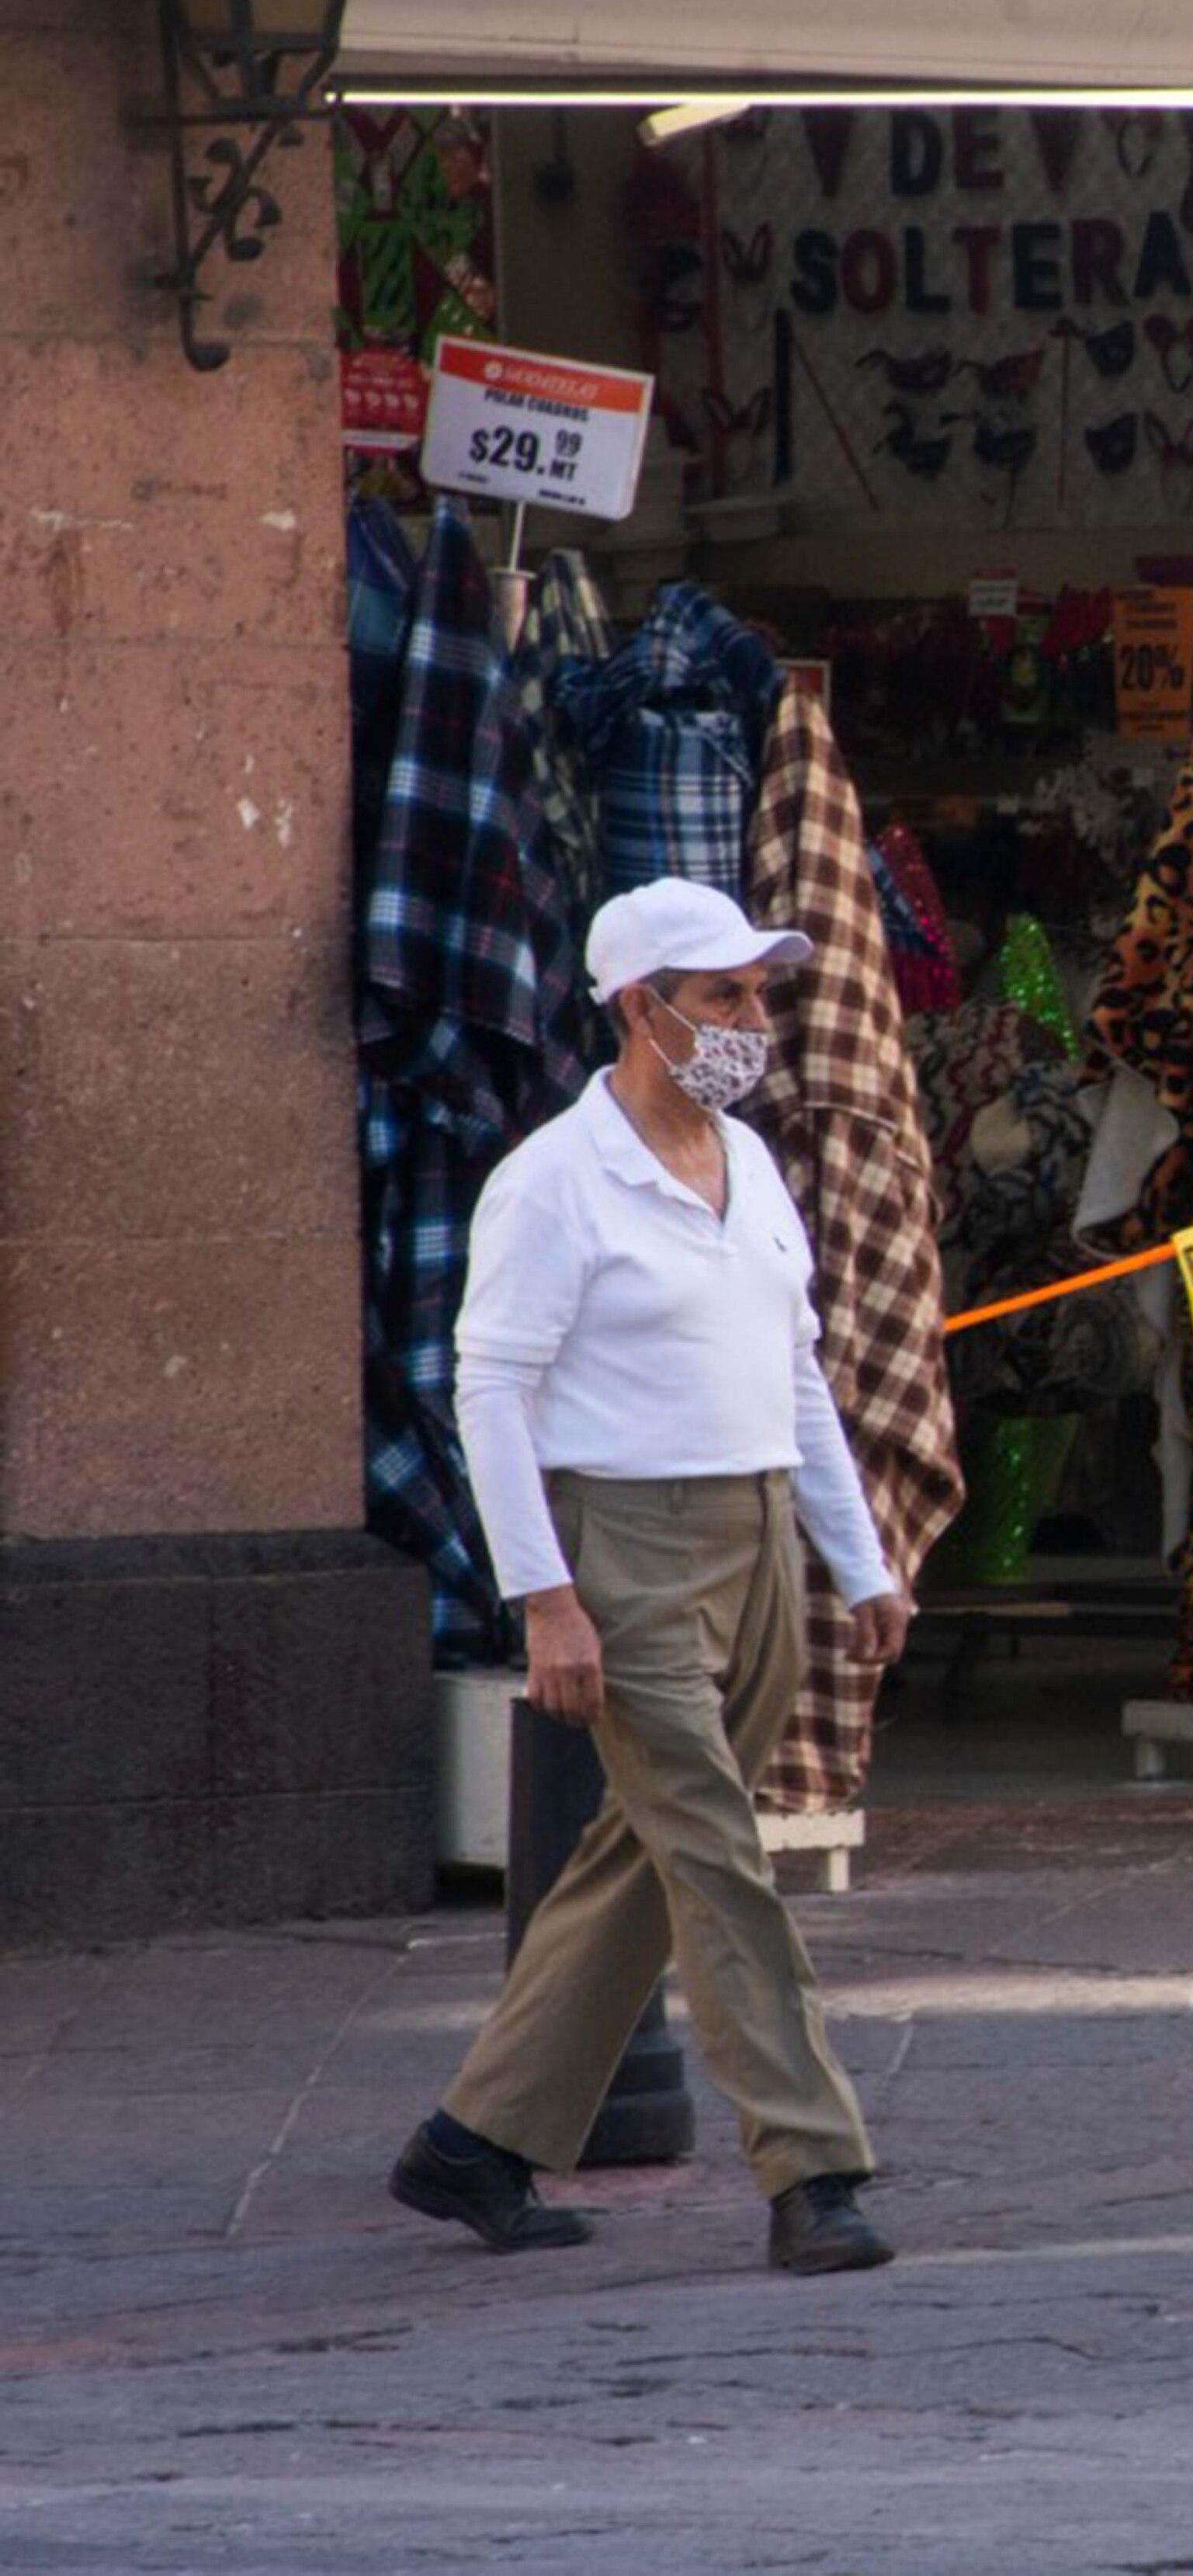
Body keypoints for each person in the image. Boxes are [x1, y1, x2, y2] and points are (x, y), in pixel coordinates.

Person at [390, 880, 911, 2277]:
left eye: (758, 993)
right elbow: (490, 1388)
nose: (753, 1020)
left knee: (653, 1850)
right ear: (640, 1006)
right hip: (623, 1546)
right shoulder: (554, 1182)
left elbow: (795, 1374)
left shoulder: (749, 1163)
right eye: (724, 994)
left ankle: (476, 2140)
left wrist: (857, 1559)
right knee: (722, 1860)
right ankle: (813, 2168)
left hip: (752, 1547)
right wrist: (546, 1595)